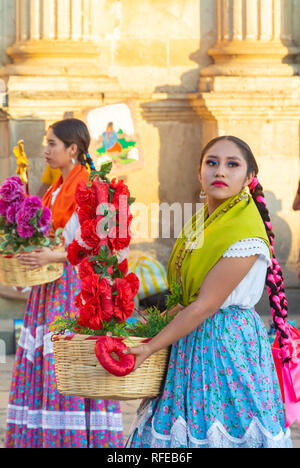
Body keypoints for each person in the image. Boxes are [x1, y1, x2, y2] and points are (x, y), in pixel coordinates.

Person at [125, 135, 293, 448]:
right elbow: (188, 302)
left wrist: (148, 349)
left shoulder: (243, 229)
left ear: (249, 177)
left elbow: (204, 305)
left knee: (218, 433)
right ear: (198, 173)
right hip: (190, 343)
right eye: (212, 163)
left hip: (226, 348)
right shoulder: (201, 225)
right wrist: (141, 329)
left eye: (233, 164)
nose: (220, 171)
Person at [5, 118, 123, 448]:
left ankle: (76, 437)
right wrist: (28, 265)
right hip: (48, 289)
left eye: (52, 143)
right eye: (46, 142)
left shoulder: (91, 187)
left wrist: (52, 258)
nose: (45, 149)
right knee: (47, 362)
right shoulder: (55, 189)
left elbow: (103, 243)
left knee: (66, 359)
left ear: (73, 149)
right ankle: (48, 436)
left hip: (74, 289)